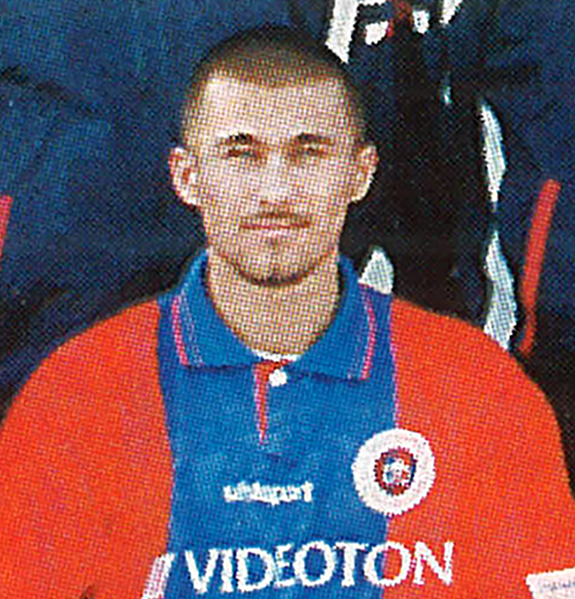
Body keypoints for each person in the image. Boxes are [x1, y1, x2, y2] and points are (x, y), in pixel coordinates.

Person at [0, 26, 574, 599]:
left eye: (309, 153)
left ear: (360, 173)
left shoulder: (478, 388)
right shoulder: (77, 396)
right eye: (241, 154)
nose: (275, 191)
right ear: (187, 177)